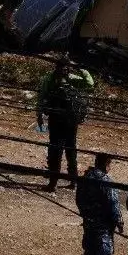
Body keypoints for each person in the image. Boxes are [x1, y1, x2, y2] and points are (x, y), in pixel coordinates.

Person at [37, 58, 92, 190]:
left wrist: (79, 68)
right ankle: (60, 182)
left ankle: (63, 182)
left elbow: (89, 83)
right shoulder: (49, 79)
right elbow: (41, 97)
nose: (64, 71)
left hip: (67, 121)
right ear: (56, 68)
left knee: (64, 150)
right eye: (62, 68)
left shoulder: (71, 78)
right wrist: (39, 115)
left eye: (66, 68)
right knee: (62, 150)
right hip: (59, 119)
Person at [76, 153, 122, 255]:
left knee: (89, 251)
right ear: (106, 165)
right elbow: (113, 204)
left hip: (89, 222)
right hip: (103, 224)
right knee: (103, 252)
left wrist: (85, 214)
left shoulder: (85, 178)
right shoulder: (106, 181)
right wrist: (119, 222)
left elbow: (79, 199)